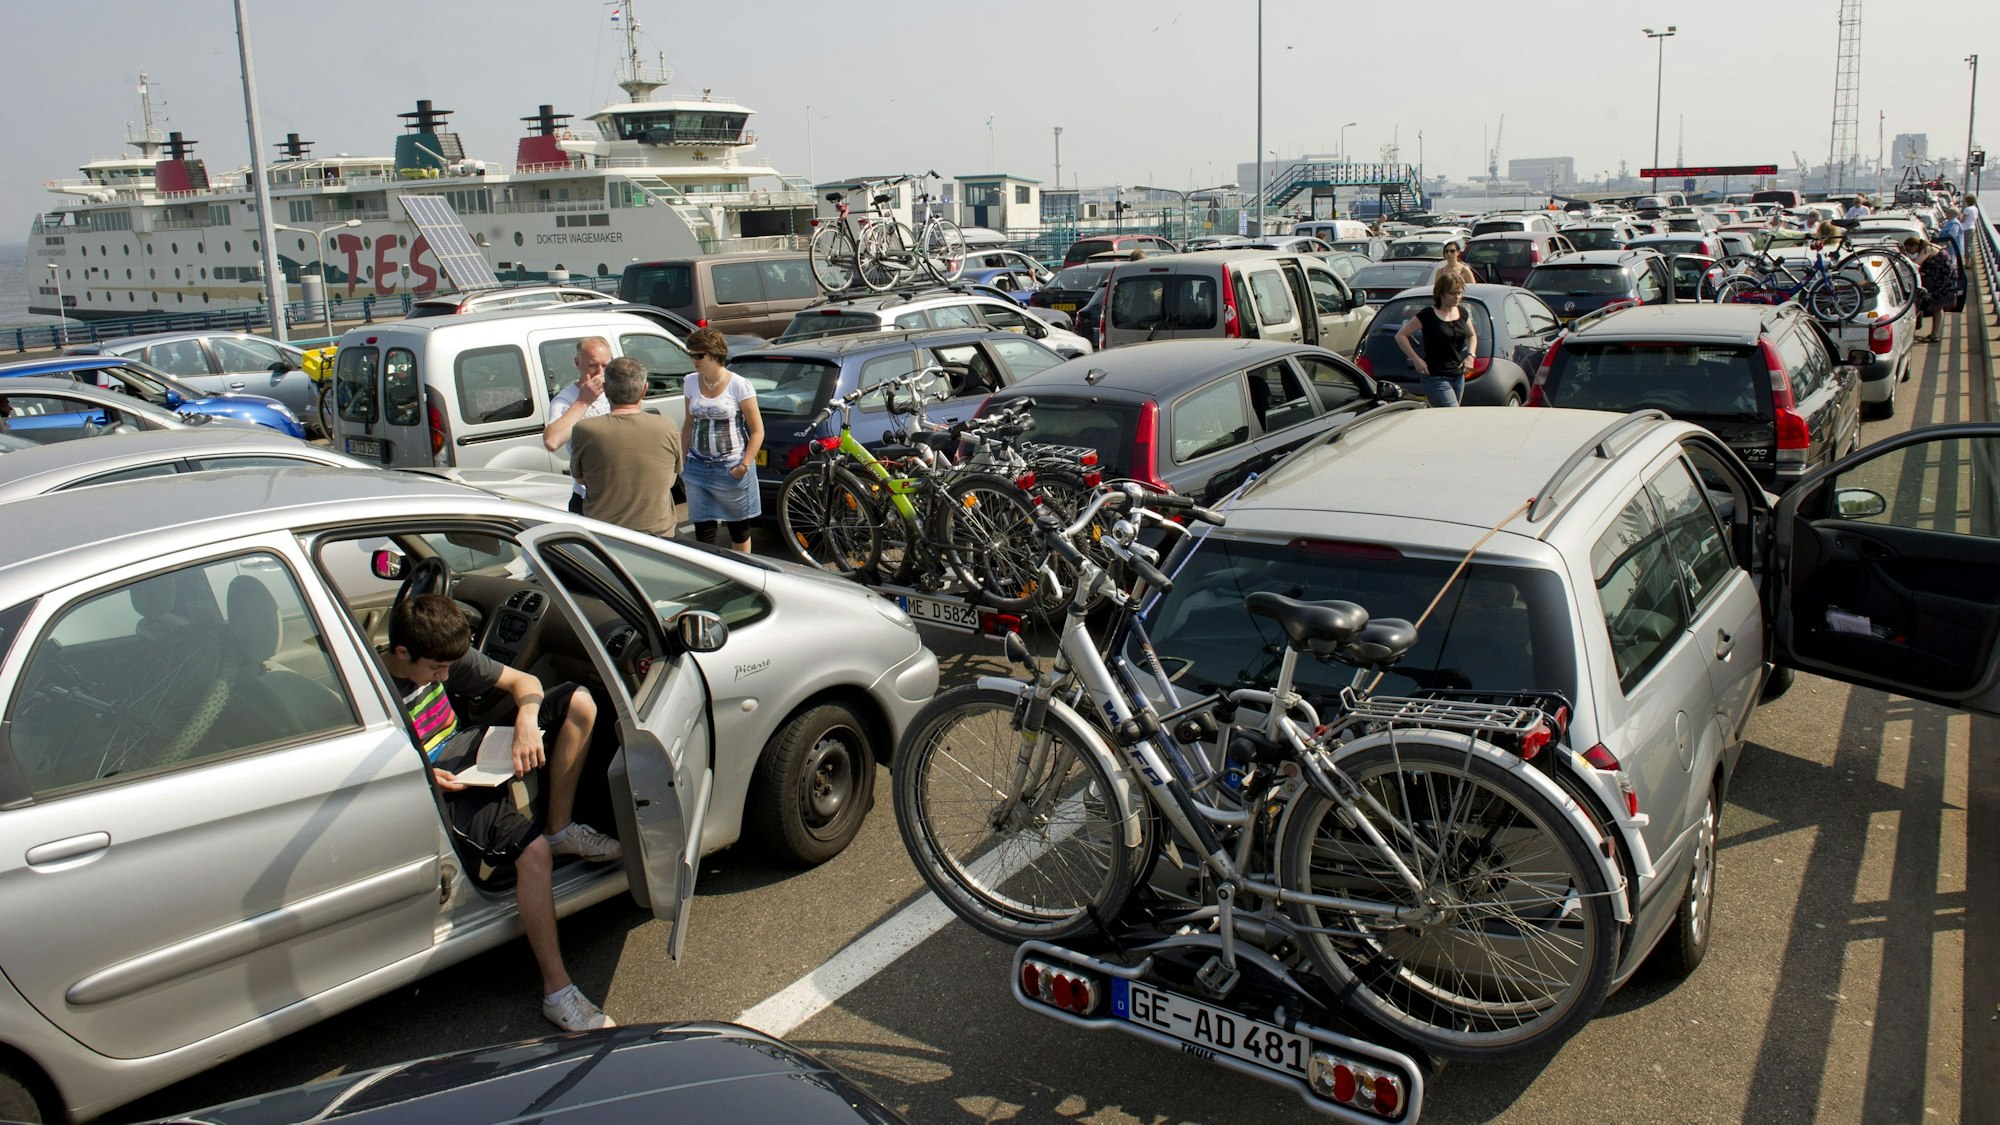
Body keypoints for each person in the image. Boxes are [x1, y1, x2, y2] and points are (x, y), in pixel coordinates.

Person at [383, 593, 620, 1032]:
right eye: (435, 670)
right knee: (533, 856)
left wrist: (528, 719)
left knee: (580, 701)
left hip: (468, 746)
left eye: (449, 668)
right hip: (440, 784)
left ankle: (559, 827)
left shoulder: (442, 653)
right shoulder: (376, 689)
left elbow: (523, 682)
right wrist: (424, 776)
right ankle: (557, 992)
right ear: (401, 653)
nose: (445, 677)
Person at [571, 356, 682, 537]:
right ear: (644, 390)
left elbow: (581, 479)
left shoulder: (584, 429)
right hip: (659, 532)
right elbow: (672, 478)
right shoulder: (667, 425)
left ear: (605, 390)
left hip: (606, 535)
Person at [679, 327, 764, 552]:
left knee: (739, 528)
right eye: (691, 354)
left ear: (715, 354)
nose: (694, 360)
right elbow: (688, 424)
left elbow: (757, 430)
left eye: (699, 355)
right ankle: (710, 575)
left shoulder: (738, 384)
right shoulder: (689, 382)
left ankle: (745, 575)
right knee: (703, 530)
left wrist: (744, 465)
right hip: (697, 465)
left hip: (731, 466)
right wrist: (682, 462)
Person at [544, 337, 614, 514]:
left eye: (605, 366)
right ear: (577, 362)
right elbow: (552, 441)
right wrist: (583, 401)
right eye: (592, 365)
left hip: (616, 493)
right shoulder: (566, 399)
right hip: (587, 497)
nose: (599, 373)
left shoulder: (615, 390)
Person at [1395, 273, 1478, 408]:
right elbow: (1400, 336)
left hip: (1458, 376)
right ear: (1441, 293)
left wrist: (1471, 355)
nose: (1457, 297)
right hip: (1435, 376)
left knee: (1446, 420)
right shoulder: (1428, 315)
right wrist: (1416, 359)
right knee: (1452, 415)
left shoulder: (1462, 313)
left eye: (1459, 293)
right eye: (1452, 293)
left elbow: (1472, 336)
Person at [1909, 236, 1961, 343]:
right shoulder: (1930, 246)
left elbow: (1916, 264)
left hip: (1942, 281)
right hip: (1945, 279)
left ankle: (1934, 335)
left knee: (1936, 306)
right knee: (1938, 307)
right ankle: (1935, 334)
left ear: (1915, 246)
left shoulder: (1926, 249)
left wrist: (1905, 263)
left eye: (1910, 249)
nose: (1910, 252)